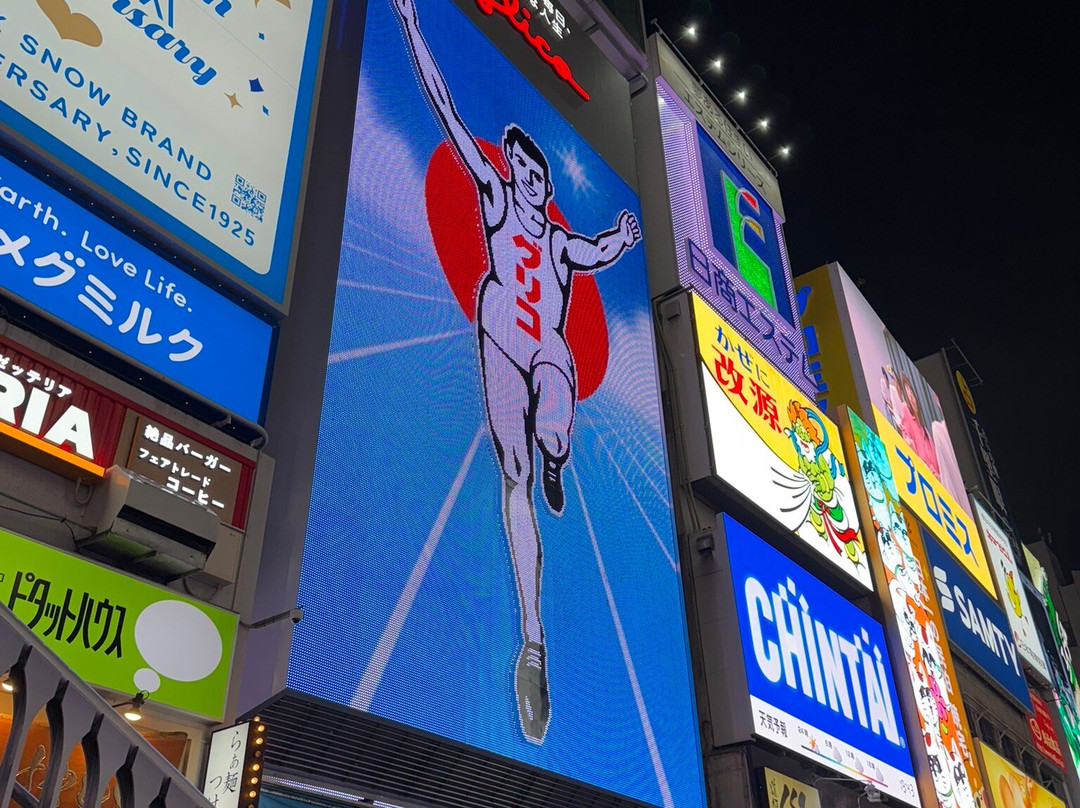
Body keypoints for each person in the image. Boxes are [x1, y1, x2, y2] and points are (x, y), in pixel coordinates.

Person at [392, 0, 642, 744]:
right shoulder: (496, 199)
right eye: (524, 169)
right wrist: (409, 26)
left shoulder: (561, 241)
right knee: (513, 473)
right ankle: (533, 644)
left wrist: (626, 240)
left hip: (547, 351)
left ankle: (558, 449)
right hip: (500, 337)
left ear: (546, 181)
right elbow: (443, 107)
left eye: (538, 172)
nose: (531, 180)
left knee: (555, 411)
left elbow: (597, 250)